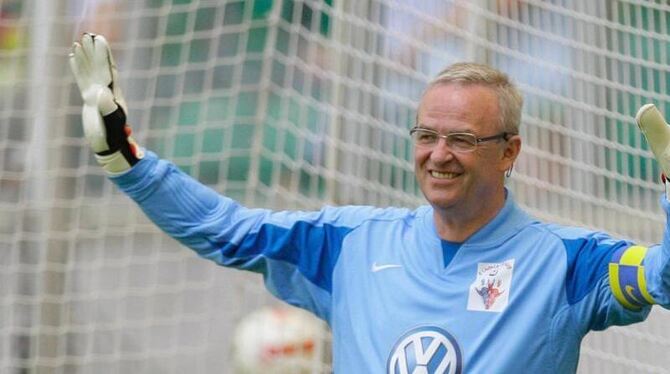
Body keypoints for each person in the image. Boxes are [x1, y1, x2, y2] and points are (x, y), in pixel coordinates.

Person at [69, 33, 670, 373]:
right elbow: (227, 231)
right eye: (427, 135)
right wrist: (131, 165)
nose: (439, 155)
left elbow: (660, 276)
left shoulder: (569, 263)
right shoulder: (352, 244)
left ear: (508, 151)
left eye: (462, 139)